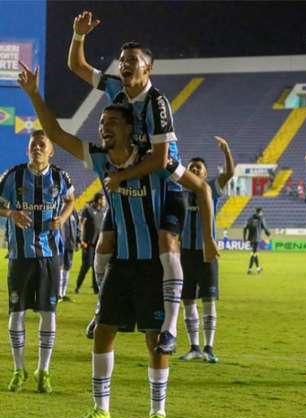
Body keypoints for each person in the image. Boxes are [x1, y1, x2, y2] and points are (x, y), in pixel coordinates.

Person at [19, 61, 217, 418]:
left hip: (154, 266)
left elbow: (199, 187)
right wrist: (33, 94)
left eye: (110, 123)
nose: (103, 128)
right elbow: (56, 134)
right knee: (105, 332)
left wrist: (208, 237)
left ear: (130, 127)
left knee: (155, 341)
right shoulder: (98, 158)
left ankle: (157, 414)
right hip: (121, 265)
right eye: (100, 124)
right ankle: (101, 409)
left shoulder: (157, 164)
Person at [69, 11, 186, 354]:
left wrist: (119, 177)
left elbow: (161, 160)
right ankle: (100, 310)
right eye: (122, 60)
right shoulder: (115, 88)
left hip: (164, 183)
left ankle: (170, 326)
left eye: (132, 60)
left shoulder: (157, 104)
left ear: (148, 68)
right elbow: (78, 67)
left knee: (166, 239)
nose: (124, 64)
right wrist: (78, 36)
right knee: (105, 244)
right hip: (130, 181)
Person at [0, 129, 75, 394]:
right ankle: (18, 369)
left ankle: (43, 371)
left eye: (42, 145)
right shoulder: (13, 176)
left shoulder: (60, 177)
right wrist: (11, 213)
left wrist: (63, 219)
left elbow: (70, 201)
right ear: (28, 149)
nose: (38, 148)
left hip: (49, 256)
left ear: (51, 151)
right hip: (20, 256)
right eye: (34, 144)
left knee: (48, 313)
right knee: (16, 313)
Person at [178, 136, 234, 363]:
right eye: (191, 167)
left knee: (208, 301)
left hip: (206, 252)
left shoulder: (212, 188)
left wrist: (226, 150)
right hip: (185, 253)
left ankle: (209, 348)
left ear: (205, 173)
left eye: (197, 167)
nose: (193, 169)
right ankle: (194, 347)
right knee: (188, 301)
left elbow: (229, 173)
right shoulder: (179, 190)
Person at [74, 192, 107, 295]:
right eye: (103, 199)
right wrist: (80, 239)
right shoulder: (87, 209)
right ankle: (77, 286)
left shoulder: (102, 211)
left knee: (96, 266)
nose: (105, 202)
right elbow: (81, 224)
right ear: (98, 200)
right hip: (87, 243)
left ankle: (96, 290)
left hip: (98, 244)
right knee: (86, 265)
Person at [59, 208, 81, 302]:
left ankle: (63, 293)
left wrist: (78, 240)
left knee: (67, 269)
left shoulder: (73, 211)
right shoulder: (58, 208)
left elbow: (77, 226)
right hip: (59, 244)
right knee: (59, 269)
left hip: (70, 244)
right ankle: (57, 294)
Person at [243, 208, 271, 274]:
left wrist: (244, 238)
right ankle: (249, 269)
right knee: (254, 254)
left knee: (254, 253)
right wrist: (268, 233)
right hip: (257, 239)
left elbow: (245, 228)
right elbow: (264, 227)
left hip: (250, 238)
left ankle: (258, 268)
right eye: (262, 212)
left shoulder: (249, 219)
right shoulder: (261, 218)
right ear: (260, 212)